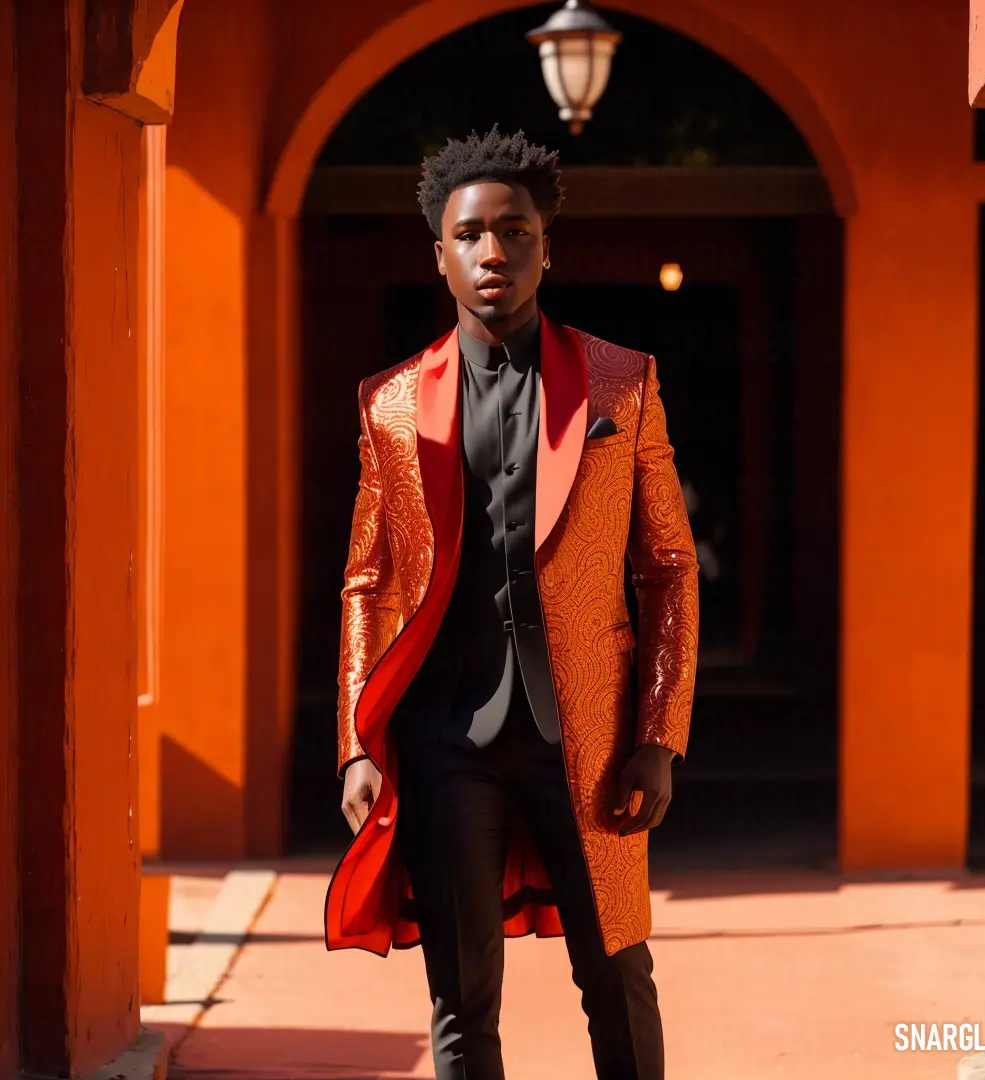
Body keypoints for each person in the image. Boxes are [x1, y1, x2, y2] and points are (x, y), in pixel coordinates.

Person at [325, 125, 699, 1080]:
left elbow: (667, 565)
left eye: (515, 231)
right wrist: (359, 744)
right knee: (460, 1002)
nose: (494, 252)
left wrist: (658, 734)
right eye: (472, 235)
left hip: (593, 736)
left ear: (546, 245)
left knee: (618, 976)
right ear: (440, 256)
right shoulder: (392, 404)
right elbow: (367, 579)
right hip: (450, 739)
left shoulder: (625, 381)